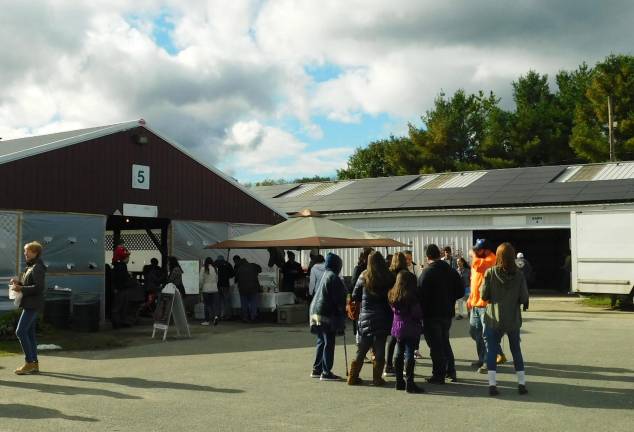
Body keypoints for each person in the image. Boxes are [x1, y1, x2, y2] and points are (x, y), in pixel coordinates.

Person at [481, 242, 530, 396]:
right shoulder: (520, 275)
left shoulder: (490, 273)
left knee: (492, 351)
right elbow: (524, 298)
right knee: (516, 350)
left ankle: (492, 384)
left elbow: (484, 296)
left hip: (494, 318)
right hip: (513, 319)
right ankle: (521, 384)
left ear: (499, 256)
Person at [418, 244, 464, 384]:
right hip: (447, 313)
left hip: (431, 315)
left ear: (427, 257)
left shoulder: (426, 273)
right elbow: (461, 291)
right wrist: (449, 299)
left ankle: (438, 374)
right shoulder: (450, 270)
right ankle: (451, 371)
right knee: (445, 342)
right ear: (439, 254)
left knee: (435, 346)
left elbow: (420, 295)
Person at [347, 251, 394, 387]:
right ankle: (377, 379)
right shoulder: (388, 276)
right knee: (379, 347)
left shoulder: (364, 275)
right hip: (384, 316)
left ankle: (353, 377)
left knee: (362, 349)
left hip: (366, 317)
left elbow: (355, 295)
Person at [467, 239, 505, 373]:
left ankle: (489, 361)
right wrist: (471, 297)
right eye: (476, 249)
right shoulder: (480, 258)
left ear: (487, 249)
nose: (476, 252)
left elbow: (479, 266)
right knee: (474, 332)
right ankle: (484, 357)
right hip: (475, 303)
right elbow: (474, 279)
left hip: (485, 304)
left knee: (486, 335)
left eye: (479, 249)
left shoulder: (491, 259)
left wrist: (473, 254)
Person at [309, 253, 347, 381]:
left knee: (321, 340)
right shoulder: (334, 278)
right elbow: (339, 300)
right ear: (337, 265)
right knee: (329, 342)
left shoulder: (325, 275)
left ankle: (317, 369)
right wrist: (343, 313)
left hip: (315, 311)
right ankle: (326, 372)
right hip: (325, 313)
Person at [10, 241, 46, 375]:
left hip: (33, 305)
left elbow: (39, 287)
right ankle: (34, 364)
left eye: (27, 251)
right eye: (25, 251)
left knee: (20, 332)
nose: (25, 253)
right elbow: (28, 284)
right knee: (29, 334)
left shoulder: (38, 267)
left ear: (35, 252)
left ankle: (29, 362)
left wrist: (21, 288)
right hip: (29, 304)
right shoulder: (30, 267)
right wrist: (18, 283)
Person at [388, 270, 424, 393]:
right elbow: (417, 313)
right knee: (409, 354)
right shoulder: (411, 296)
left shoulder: (392, 294)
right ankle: (410, 382)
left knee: (399, 353)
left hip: (397, 326)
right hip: (410, 326)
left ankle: (399, 381)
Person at [384, 252, 408, 377]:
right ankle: (403, 365)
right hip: (403, 308)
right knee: (402, 338)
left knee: (393, 338)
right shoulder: (405, 274)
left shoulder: (388, 274)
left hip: (391, 307)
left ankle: (388, 365)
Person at [111, 246, 135, 329]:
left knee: (120, 307)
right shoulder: (122, 266)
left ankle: (119, 323)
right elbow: (122, 279)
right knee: (119, 307)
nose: (128, 259)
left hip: (120, 289)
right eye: (127, 257)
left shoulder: (117, 266)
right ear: (124, 258)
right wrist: (128, 276)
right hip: (121, 289)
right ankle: (117, 323)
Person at [234, 258, 261, 322]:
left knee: (244, 304)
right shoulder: (253, 266)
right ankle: (253, 317)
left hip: (242, 289)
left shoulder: (239, 268)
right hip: (253, 288)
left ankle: (245, 317)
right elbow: (260, 270)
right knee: (253, 303)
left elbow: (236, 279)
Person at [200, 257, 220, 326]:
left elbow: (201, 280)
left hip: (206, 289)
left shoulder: (203, 269)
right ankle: (216, 316)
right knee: (214, 305)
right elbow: (217, 279)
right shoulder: (215, 269)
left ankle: (207, 320)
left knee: (207, 305)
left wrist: (200, 287)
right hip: (215, 289)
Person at [215, 256, 235, 320]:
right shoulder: (228, 264)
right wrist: (227, 275)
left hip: (218, 285)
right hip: (225, 285)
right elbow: (232, 274)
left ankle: (219, 315)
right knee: (227, 301)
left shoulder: (216, 264)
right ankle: (227, 316)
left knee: (219, 301)